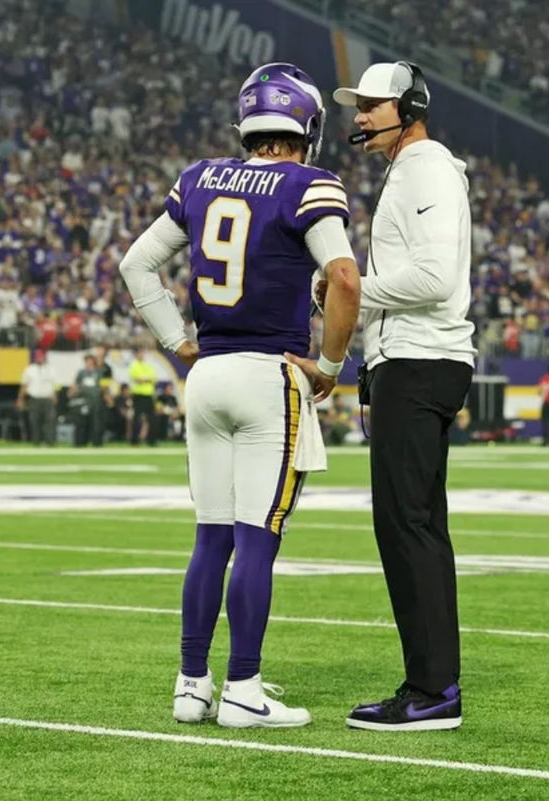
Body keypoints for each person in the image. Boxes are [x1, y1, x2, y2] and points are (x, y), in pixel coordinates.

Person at [118, 62, 360, 728]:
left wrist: (177, 341)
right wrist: (332, 366)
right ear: (305, 126)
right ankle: (243, 690)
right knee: (257, 539)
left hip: (208, 373)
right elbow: (343, 277)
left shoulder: (199, 177)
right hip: (267, 375)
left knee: (209, 538)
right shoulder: (309, 184)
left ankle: (191, 685)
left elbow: (136, 263)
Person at [333, 61, 474, 731]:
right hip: (420, 359)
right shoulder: (413, 169)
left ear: (409, 106)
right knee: (417, 525)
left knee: (406, 524)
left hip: (419, 361)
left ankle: (431, 689)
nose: (359, 116)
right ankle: (433, 682)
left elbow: (435, 277)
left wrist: (349, 289)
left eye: (372, 105)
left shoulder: (425, 168)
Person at [17, 349, 57, 446]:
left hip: (47, 398)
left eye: (41, 356)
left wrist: (55, 396)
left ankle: (49, 442)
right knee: (35, 421)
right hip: (34, 398)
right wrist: (20, 399)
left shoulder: (50, 369)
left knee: (50, 420)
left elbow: (55, 384)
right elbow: (24, 385)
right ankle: (36, 442)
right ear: (35, 358)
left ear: (44, 357)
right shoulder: (29, 369)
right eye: (37, 356)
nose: (39, 358)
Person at [70, 354, 107, 447]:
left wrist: (106, 396)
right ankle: (81, 442)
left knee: (96, 423)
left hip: (96, 400)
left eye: (91, 361)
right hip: (84, 400)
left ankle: (96, 442)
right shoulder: (81, 372)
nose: (89, 363)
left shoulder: (99, 372)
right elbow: (76, 384)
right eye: (87, 361)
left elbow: (103, 386)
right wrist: (71, 392)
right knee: (82, 422)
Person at [129, 347, 158, 445]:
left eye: (142, 353)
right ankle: (134, 440)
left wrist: (145, 379)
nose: (141, 355)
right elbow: (138, 379)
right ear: (136, 355)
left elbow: (153, 378)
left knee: (151, 418)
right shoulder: (134, 365)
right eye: (139, 353)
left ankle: (151, 440)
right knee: (137, 418)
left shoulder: (147, 365)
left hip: (148, 394)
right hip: (138, 394)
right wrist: (147, 379)